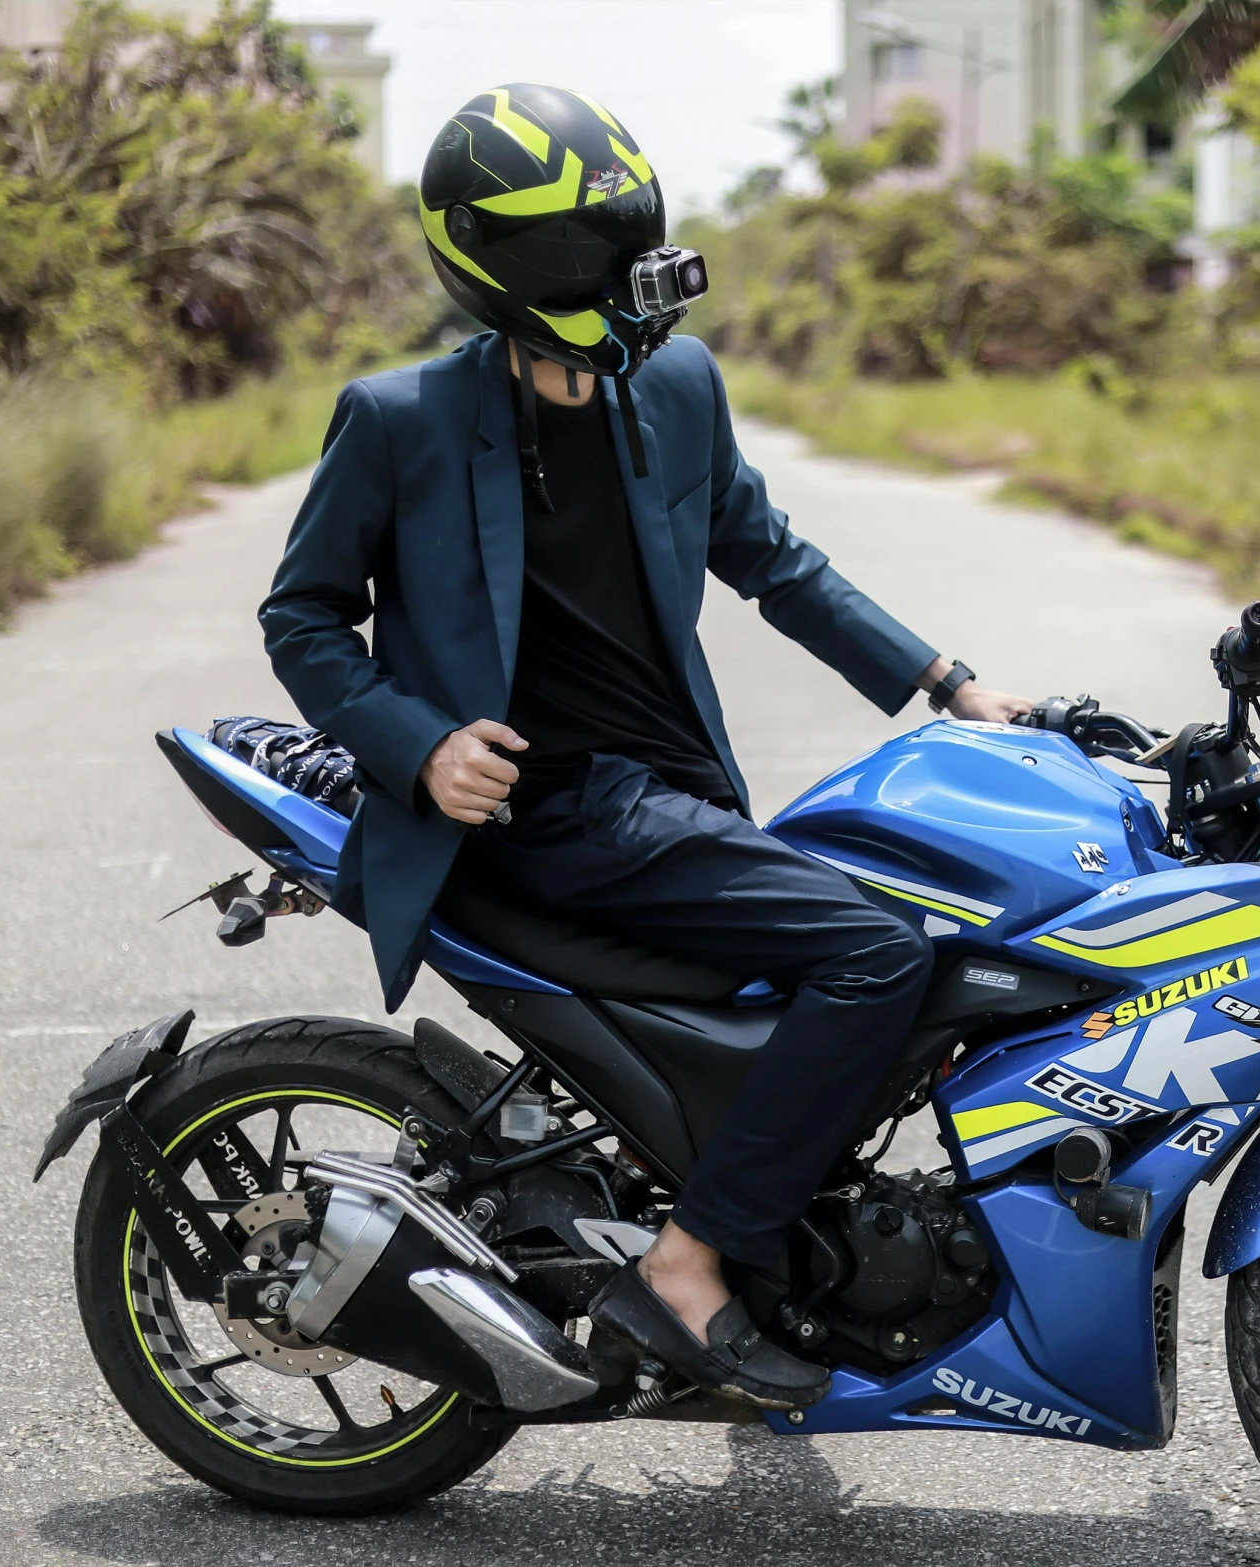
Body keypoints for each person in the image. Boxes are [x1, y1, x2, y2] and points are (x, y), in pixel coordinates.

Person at [257, 84, 1029, 1410]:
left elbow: (770, 560)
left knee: (942, 907)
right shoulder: (400, 422)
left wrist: (943, 678)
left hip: (664, 801)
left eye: (629, 227)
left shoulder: (674, 383)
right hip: (546, 815)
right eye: (589, 243)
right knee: (875, 954)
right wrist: (420, 742)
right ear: (509, 261)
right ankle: (685, 1266)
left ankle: (792, 1264)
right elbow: (303, 615)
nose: (623, 262)